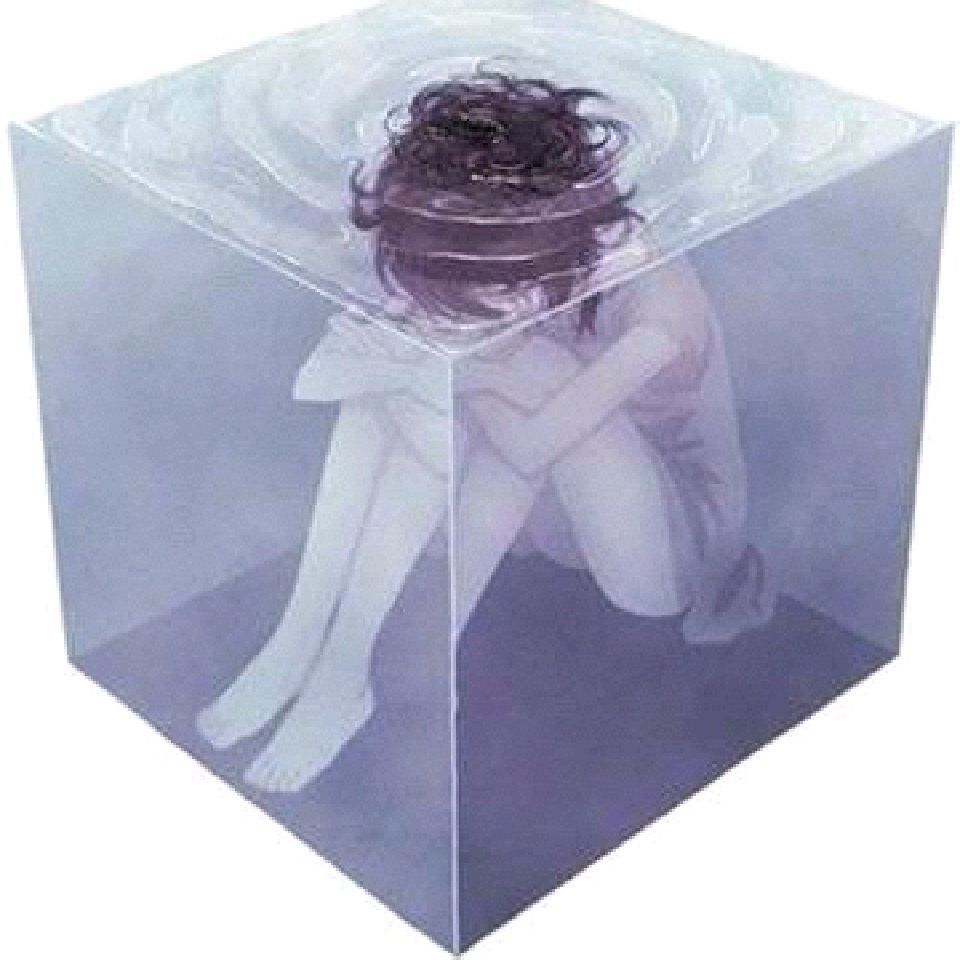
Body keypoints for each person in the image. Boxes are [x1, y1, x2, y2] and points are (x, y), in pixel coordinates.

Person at [196, 71, 773, 792]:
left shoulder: (656, 310)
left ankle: (378, 669)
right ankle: (309, 644)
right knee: (429, 371)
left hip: (666, 553)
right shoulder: (520, 264)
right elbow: (322, 379)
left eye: (488, 292)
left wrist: (442, 376)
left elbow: (527, 447)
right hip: (560, 500)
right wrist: (419, 370)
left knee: (501, 365)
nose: (480, 303)